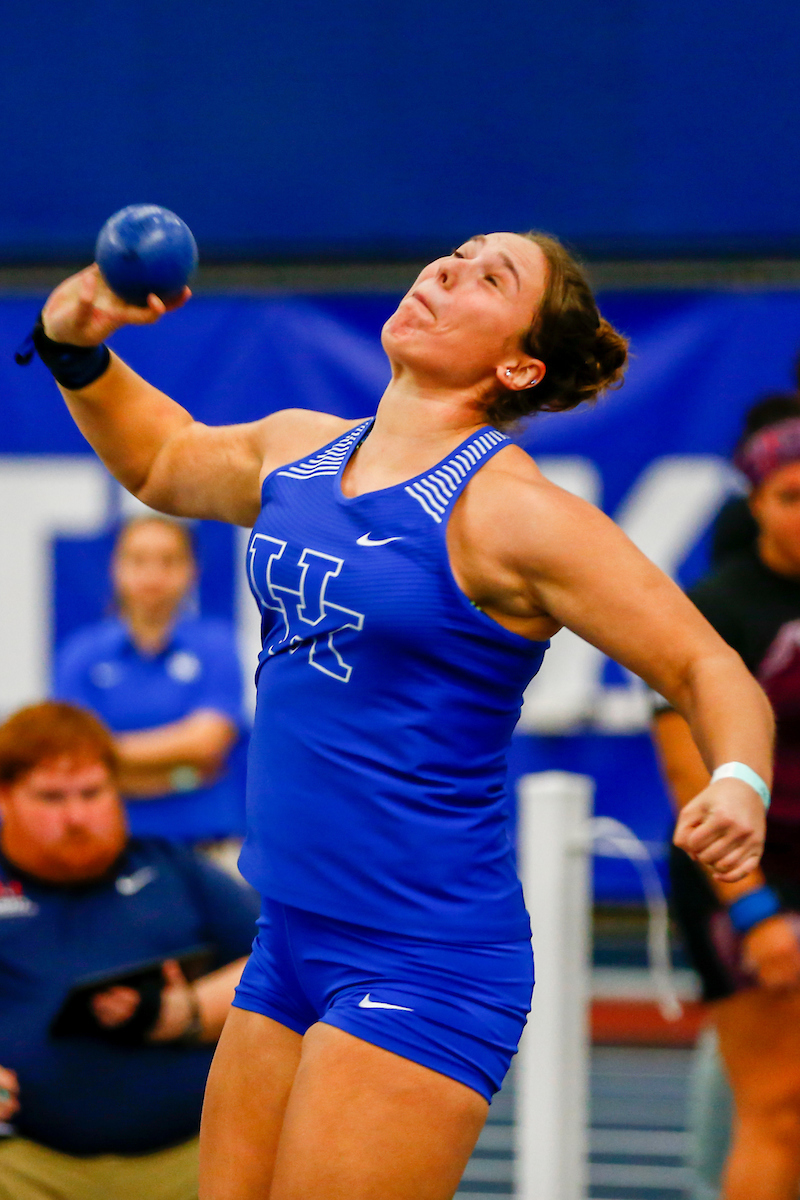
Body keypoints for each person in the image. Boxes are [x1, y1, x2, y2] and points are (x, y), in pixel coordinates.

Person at [31, 230, 773, 1200]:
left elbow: (706, 666)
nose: (446, 272)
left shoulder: (515, 516)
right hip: (287, 938)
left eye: (489, 278)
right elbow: (164, 459)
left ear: (518, 366)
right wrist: (75, 348)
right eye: (454, 256)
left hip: (423, 961)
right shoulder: (299, 446)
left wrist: (738, 780)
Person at [0, 701, 259, 1200]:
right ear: (5, 797)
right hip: (24, 1169)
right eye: (51, 797)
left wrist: (190, 1011)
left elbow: (283, 960)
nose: (76, 817)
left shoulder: (173, 869)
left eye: (92, 793)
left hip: (194, 1159)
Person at [654, 413, 800, 1200]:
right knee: (778, 1108)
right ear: (756, 503)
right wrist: (757, 914)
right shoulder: (716, 608)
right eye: (791, 497)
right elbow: (694, 782)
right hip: (752, 876)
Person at [54, 515, 246, 848]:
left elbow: (206, 742)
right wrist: (184, 775)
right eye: (138, 560)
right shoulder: (81, 653)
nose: (153, 575)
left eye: (169, 561)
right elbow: (76, 752)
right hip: (103, 845)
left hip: (204, 843)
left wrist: (116, 769)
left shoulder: (218, 646)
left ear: (192, 570)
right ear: (115, 567)